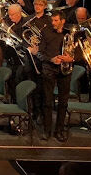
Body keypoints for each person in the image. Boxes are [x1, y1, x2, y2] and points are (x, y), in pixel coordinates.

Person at [30, 10, 74, 142]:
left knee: (63, 103)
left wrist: (70, 58)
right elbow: (39, 54)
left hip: (65, 70)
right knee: (47, 102)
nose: (53, 23)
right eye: (52, 20)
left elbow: (78, 53)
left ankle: (59, 131)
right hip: (49, 69)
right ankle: (47, 130)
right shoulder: (46, 32)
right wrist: (51, 59)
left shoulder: (70, 33)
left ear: (62, 21)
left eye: (56, 20)